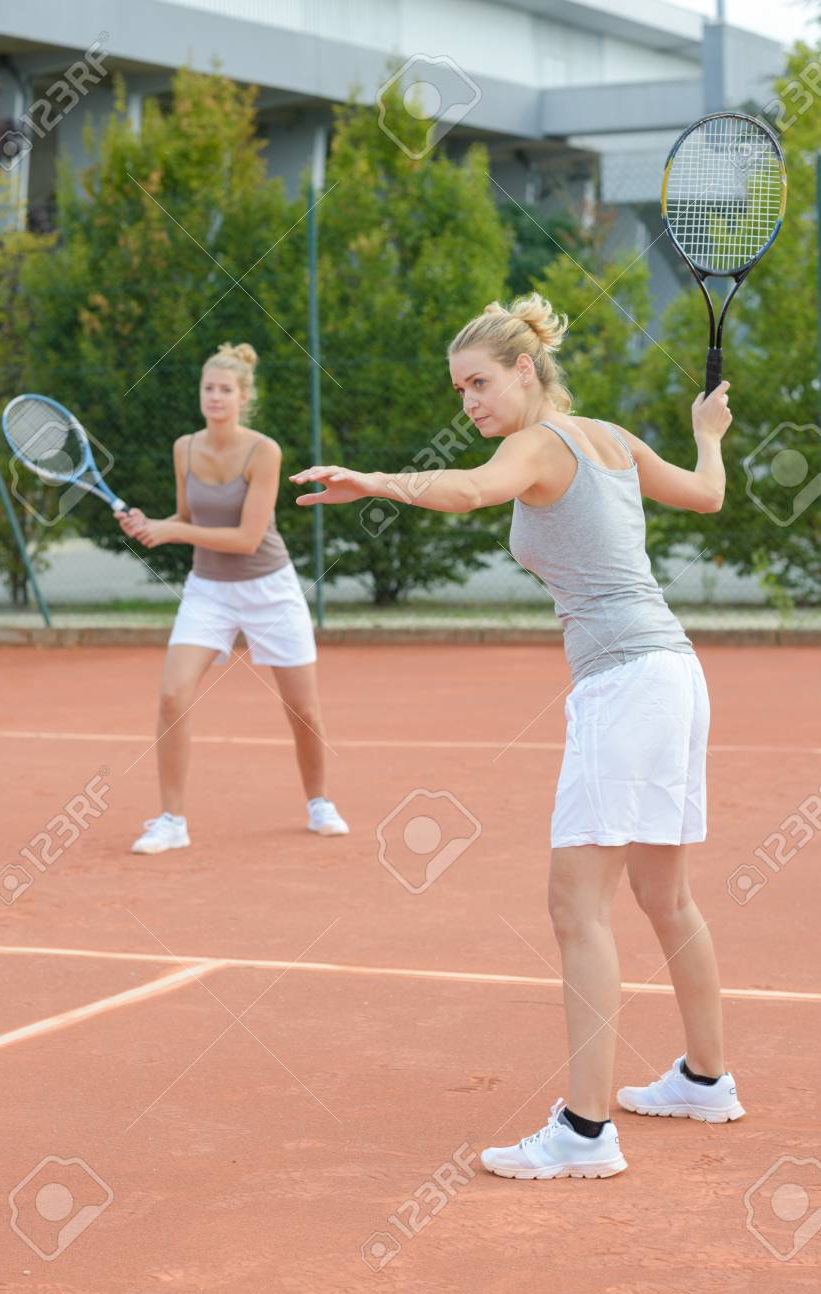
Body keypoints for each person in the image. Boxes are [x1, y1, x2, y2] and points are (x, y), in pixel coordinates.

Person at [290, 295, 744, 1180]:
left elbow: (466, 492)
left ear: (525, 371)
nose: (469, 402)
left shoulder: (533, 445)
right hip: (674, 675)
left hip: (624, 684)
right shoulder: (607, 435)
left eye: (479, 382)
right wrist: (708, 431)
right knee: (664, 897)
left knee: (576, 907)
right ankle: (704, 1078)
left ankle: (583, 1133)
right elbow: (709, 493)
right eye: (459, 390)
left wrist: (375, 481)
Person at [116, 341, 348, 853]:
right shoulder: (184, 448)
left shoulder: (264, 451)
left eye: (225, 389)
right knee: (173, 694)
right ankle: (171, 820)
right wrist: (150, 525)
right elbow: (186, 517)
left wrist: (171, 534)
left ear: (244, 396)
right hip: (208, 590)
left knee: (303, 708)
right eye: (208, 389)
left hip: (270, 587)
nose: (215, 397)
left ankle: (319, 802)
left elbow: (246, 538)